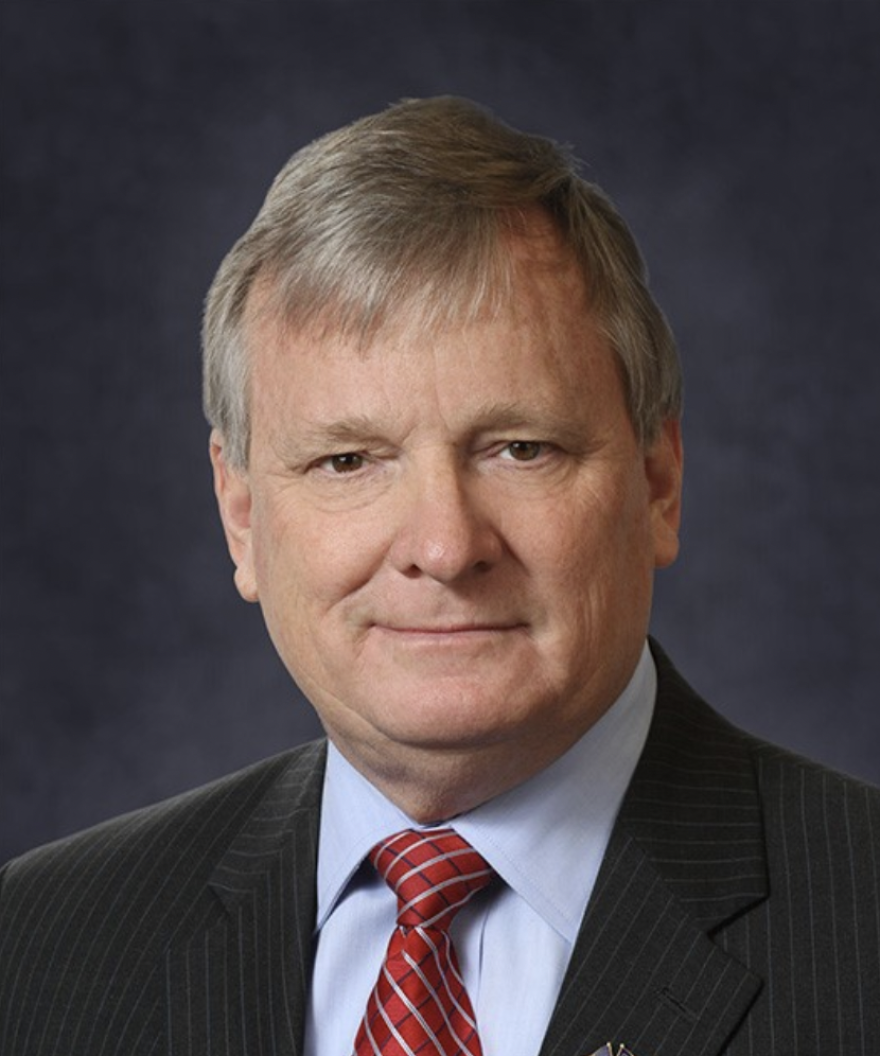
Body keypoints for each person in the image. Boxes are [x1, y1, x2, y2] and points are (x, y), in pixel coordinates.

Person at [0, 96, 877, 1056]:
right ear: (242, 514)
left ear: (657, 484)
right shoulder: (40, 945)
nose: (446, 547)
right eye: (349, 462)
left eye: (520, 448)